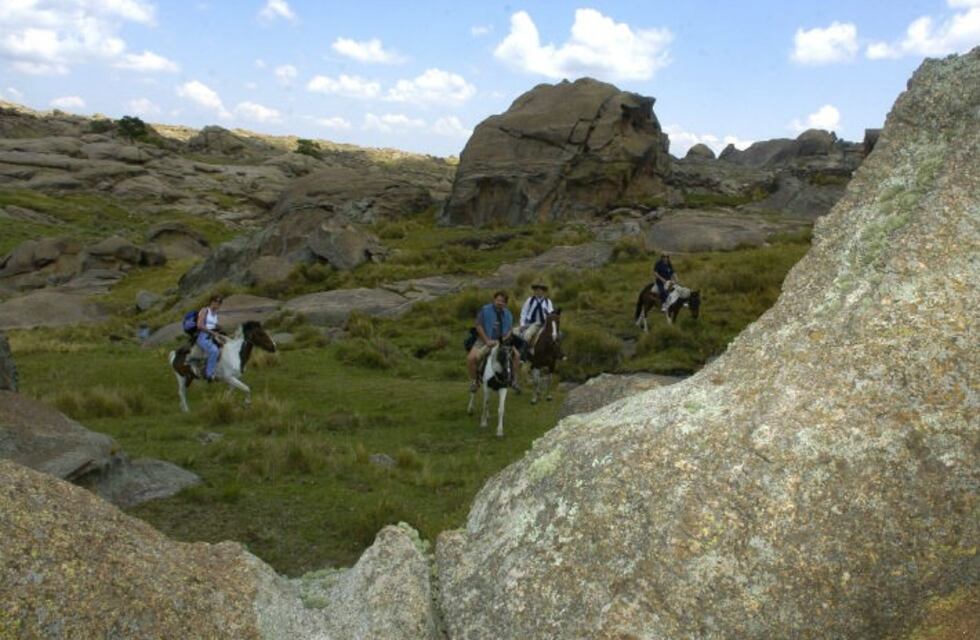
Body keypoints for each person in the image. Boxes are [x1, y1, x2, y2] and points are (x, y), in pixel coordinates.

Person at [467, 291, 521, 393]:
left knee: (517, 355)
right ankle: (474, 381)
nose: (500, 302)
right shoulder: (485, 310)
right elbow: (478, 325)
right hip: (484, 339)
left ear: (505, 303)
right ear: (494, 300)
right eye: (498, 300)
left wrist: (504, 339)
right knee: (471, 358)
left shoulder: (508, 314)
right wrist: (487, 341)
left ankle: (514, 381)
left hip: (503, 341)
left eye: (502, 301)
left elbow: (510, 330)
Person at [516, 283, 554, 356]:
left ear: (543, 292)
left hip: (543, 323)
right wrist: (522, 324)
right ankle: (524, 353)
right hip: (531, 323)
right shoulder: (530, 300)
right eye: (536, 290)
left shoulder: (547, 301)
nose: (538, 292)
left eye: (540, 290)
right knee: (526, 335)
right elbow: (524, 312)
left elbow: (551, 314)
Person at [195, 294, 223, 381]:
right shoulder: (205, 310)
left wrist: (218, 329)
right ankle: (209, 374)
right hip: (203, 336)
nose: (218, 304)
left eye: (219, 302)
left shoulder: (215, 314)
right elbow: (199, 325)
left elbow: (213, 325)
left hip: (213, 335)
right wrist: (212, 333)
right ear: (211, 302)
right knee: (214, 351)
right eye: (216, 301)